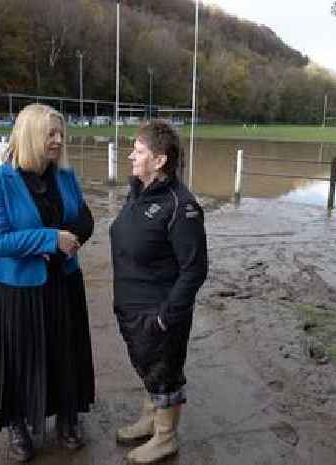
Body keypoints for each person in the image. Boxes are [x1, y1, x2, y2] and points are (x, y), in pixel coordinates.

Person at [0, 103, 95, 462]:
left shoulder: (65, 177)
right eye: (51, 134)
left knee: (65, 352)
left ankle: (67, 416)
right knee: (18, 360)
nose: (59, 140)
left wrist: (68, 241)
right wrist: (49, 240)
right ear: (30, 135)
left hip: (63, 283)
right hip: (15, 291)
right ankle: (17, 425)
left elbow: (85, 219)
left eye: (61, 134)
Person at [110, 121, 208, 464]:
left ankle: (166, 438)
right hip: (131, 308)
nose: (131, 156)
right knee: (147, 367)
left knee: (164, 372)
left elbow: (195, 269)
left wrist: (167, 317)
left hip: (159, 313)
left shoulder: (181, 206)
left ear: (160, 160)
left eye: (138, 151)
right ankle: (152, 418)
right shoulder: (138, 192)